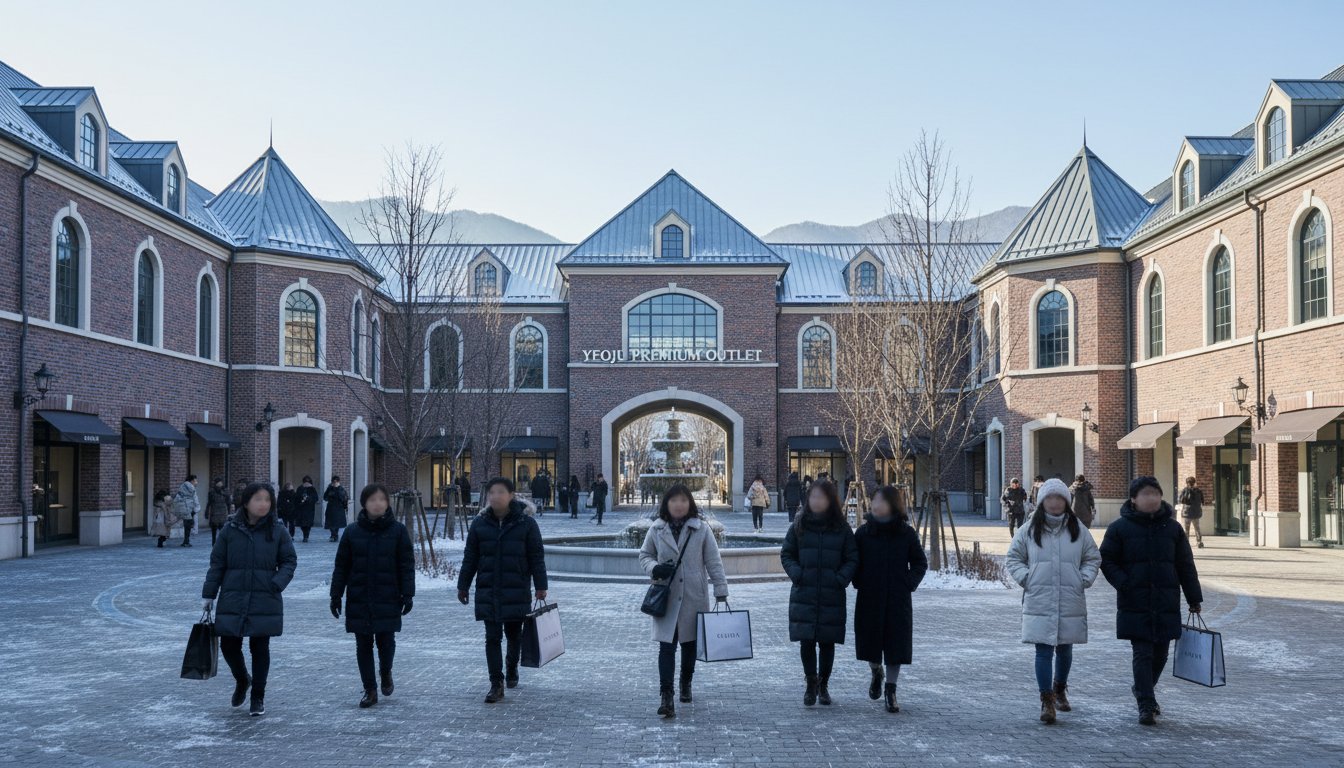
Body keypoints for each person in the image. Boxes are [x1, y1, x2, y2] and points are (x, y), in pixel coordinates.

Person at [1100, 476, 1203, 726]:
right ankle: (1146, 703)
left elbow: (1185, 565)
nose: (1152, 498)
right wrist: (1124, 583)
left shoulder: (1173, 528)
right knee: (1142, 652)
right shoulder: (1119, 528)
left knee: (1161, 655)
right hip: (1134, 600)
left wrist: (1194, 597)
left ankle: (1142, 688)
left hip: (1166, 601)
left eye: (1155, 493)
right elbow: (1106, 559)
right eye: (1145, 494)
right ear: (1133, 499)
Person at [1005, 478, 1102, 725]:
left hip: (1070, 597)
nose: (1055, 502)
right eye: (1050, 497)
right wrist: (1027, 578)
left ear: (1067, 502)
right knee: (1043, 649)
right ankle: (1046, 700)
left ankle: (1060, 689)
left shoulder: (1078, 529)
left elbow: (1092, 557)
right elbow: (1013, 558)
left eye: (1059, 498)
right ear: (1041, 501)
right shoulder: (1028, 529)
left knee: (1066, 648)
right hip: (1040, 598)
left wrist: (1083, 579)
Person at [201, 482, 297, 717]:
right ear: (245, 503)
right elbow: (217, 564)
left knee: (260, 647)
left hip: (265, 597)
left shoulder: (278, 530)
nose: (264, 504)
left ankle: (258, 697)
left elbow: (289, 561)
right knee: (228, 644)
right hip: (233, 595)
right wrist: (209, 594)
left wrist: (276, 583)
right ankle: (243, 679)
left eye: (267, 499)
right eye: (258, 499)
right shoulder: (229, 530)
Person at [638, 483, 729, 717]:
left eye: (683, 500)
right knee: (666, 647)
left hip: (693, 596)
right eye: (674, 500)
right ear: (666, 504)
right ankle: (666, 695)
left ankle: (686, 682)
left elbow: (714, 561)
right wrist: (654, 568)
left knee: (690, 646)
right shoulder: (656, 529)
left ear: (690, 503)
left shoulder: (702, 529)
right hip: (666, 597)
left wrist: (720, 590)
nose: (679, 505)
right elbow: (645, 555)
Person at [457, 477, 549, 703]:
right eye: (492, 493)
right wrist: (463, 585)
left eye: (500, 492)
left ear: (511, 495)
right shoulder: (479, 523)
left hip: (516, 588)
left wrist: (541, 586)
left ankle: (511, 667)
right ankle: (496, 684)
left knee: (514, 634)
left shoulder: (526, 523)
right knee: (492, 637)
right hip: (488, 589)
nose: (495, 496)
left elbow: (536, 557)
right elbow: (470, 557)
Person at [330, 483, 415, 708]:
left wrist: (408, 594)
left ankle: (386, 671)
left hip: (388, 595)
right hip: (359, 596)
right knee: (363, 644)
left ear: (387, 503)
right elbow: (342, 566)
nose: (377, 504)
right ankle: (370, 689)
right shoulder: (352, 532)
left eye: (381, 499)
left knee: (386, 641)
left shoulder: (398, 531)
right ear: (364, 504)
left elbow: (406, 564)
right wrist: (336, 595)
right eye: (372, 500)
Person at [780, 479, 859, 707]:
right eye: (812, 496)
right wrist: (798, 574)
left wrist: (840, 579)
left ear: (830, 500)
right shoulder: (799, 524)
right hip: (804, 592)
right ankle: (810, 683)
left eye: (821, 497)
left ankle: (823, 685)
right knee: (806, 641)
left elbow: (852, 558)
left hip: (831, 594)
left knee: (827, 642)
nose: (816, 501)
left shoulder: (841, 528)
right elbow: (787, 554)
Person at [853, 485, 927, 714]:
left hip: (897, 599)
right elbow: (853, 562)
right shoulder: (863, 533)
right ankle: (876, 671)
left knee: (896, 645)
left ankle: (891, 690)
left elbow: (920, 563)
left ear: (893, 505)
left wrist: (907, 583)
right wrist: (859, 581)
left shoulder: (906, 534)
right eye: (874, 500)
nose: (875, 505)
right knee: (870, 642)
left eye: (881, 501)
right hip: (870, 597)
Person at [1177, 477, 1205, 549]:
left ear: (1187, 483)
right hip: (1196, 512)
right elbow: (1202, 501)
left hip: (1187, 512)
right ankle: (1199, 542)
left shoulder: (1185, 490)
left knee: (1186, 529)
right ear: (1194, 482)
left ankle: (1186, 543)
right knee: (1197, 528)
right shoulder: (1198, 491)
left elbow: (1181, 500)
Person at [173, 475, 201, 548]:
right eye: (194, 481)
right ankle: (186, 541)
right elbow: (195, 500)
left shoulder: (182, 488)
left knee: (186, 525)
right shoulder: (192, 489)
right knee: (189, 525)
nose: (196, 482)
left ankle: (186, 541)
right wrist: (196, 508)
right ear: (191, 481)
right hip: (190, 509)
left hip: (183, 509)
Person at [324, 476, 350, 542]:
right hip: (331, 507)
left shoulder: (341, 489)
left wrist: (345, 506)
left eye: (336, 482)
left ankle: (335, 534)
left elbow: (344, 499)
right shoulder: (330, 489)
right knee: (330, 523)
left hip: (339, 507)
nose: (335, 484)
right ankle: (333, 534)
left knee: (337, 523)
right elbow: (325, 497)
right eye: (334, 482)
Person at [207, 477, 232, 545]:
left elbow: (228, 501)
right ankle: (214, 540)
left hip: (223, 510)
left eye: (220, 483)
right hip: (214, 510)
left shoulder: (225, 491)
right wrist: (207, 511)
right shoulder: (212, 492)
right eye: (218, 483)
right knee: (214, 526)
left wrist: (229, 511)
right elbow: (209, 502)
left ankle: (222, 540)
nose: (219, 484)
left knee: (222, 527)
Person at [295, 476, 319, 542]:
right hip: (301, 509)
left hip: (309, 509)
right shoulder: (300, 488)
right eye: (305, 482)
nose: (306, 483)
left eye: (308, 482)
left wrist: (308, 499)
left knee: (308, 524)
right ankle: (304, 534)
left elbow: (316, 498)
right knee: (302, 524)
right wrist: (301, 500)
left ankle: (306, 536)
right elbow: (296, 497)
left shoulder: (312, 489)